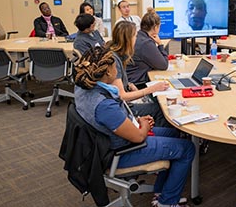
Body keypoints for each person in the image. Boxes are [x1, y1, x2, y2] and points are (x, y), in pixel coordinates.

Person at [74, 46, 194, 207]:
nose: (117, 68)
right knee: (187, 148)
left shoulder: (84, 89)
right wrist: (143, 125)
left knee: (174, 133)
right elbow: (138, 137)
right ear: (108, 72)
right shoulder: (104, 105)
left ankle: (161, 191)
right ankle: (167, 202)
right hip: (121, 152)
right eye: (115, 65)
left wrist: (135, 120)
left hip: (109, 142)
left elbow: (115, 120)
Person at [106, 21, 170, 127]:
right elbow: (122, 96)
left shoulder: (116, 54)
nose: (137, 39)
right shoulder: (114, 61)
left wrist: (129, 84)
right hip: (123, 107)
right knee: (161, 110)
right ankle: (158, 136)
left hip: (121, 101)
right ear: (129, 39)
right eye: (135, 36)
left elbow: (117, 84)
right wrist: (151, 89)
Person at [126, 8, 169, 84]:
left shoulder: (139, 36)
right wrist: (160, 44)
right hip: (137, 84)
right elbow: (163, 65)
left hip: (130, 80)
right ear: (155, 27)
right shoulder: (146, 43)